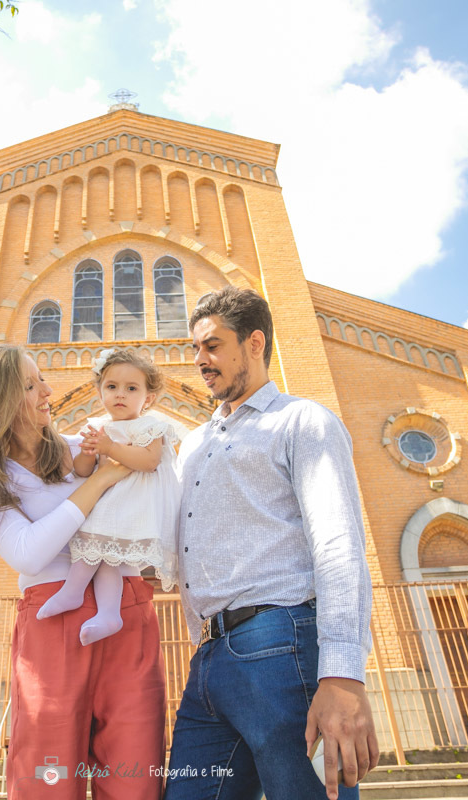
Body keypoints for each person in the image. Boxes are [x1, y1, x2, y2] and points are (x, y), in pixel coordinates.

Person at [164, 287, 379, 800]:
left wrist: (343, 675)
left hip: (282, 644)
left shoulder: (303, 421)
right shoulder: (193, 444)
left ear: (254, 342)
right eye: (196, 349)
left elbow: (338, 544)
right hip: (208, 662)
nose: (199, 361)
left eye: (212, 346)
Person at [0, 344, 166, 800]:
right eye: (30, 384)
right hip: (51, 619)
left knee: (135, 772)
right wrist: (99, 482)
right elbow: (28, 554)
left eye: (41, 378)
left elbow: (152, 489)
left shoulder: (86, 446)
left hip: (125, 606)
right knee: (47, 774)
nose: (48, 390)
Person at [36, 347, 180, 645]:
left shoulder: (151, 426)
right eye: (112, 387)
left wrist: (110, 448)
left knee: (100, 550)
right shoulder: (97, 427)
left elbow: (150, 461)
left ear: (148, 398)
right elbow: (82, 471)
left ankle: (74, 592)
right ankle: (109, 614)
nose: (120, 394)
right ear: (100, 392)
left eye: (131, 388)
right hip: (107, 500)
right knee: (103, 556)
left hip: (132, 505)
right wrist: (89, 453)